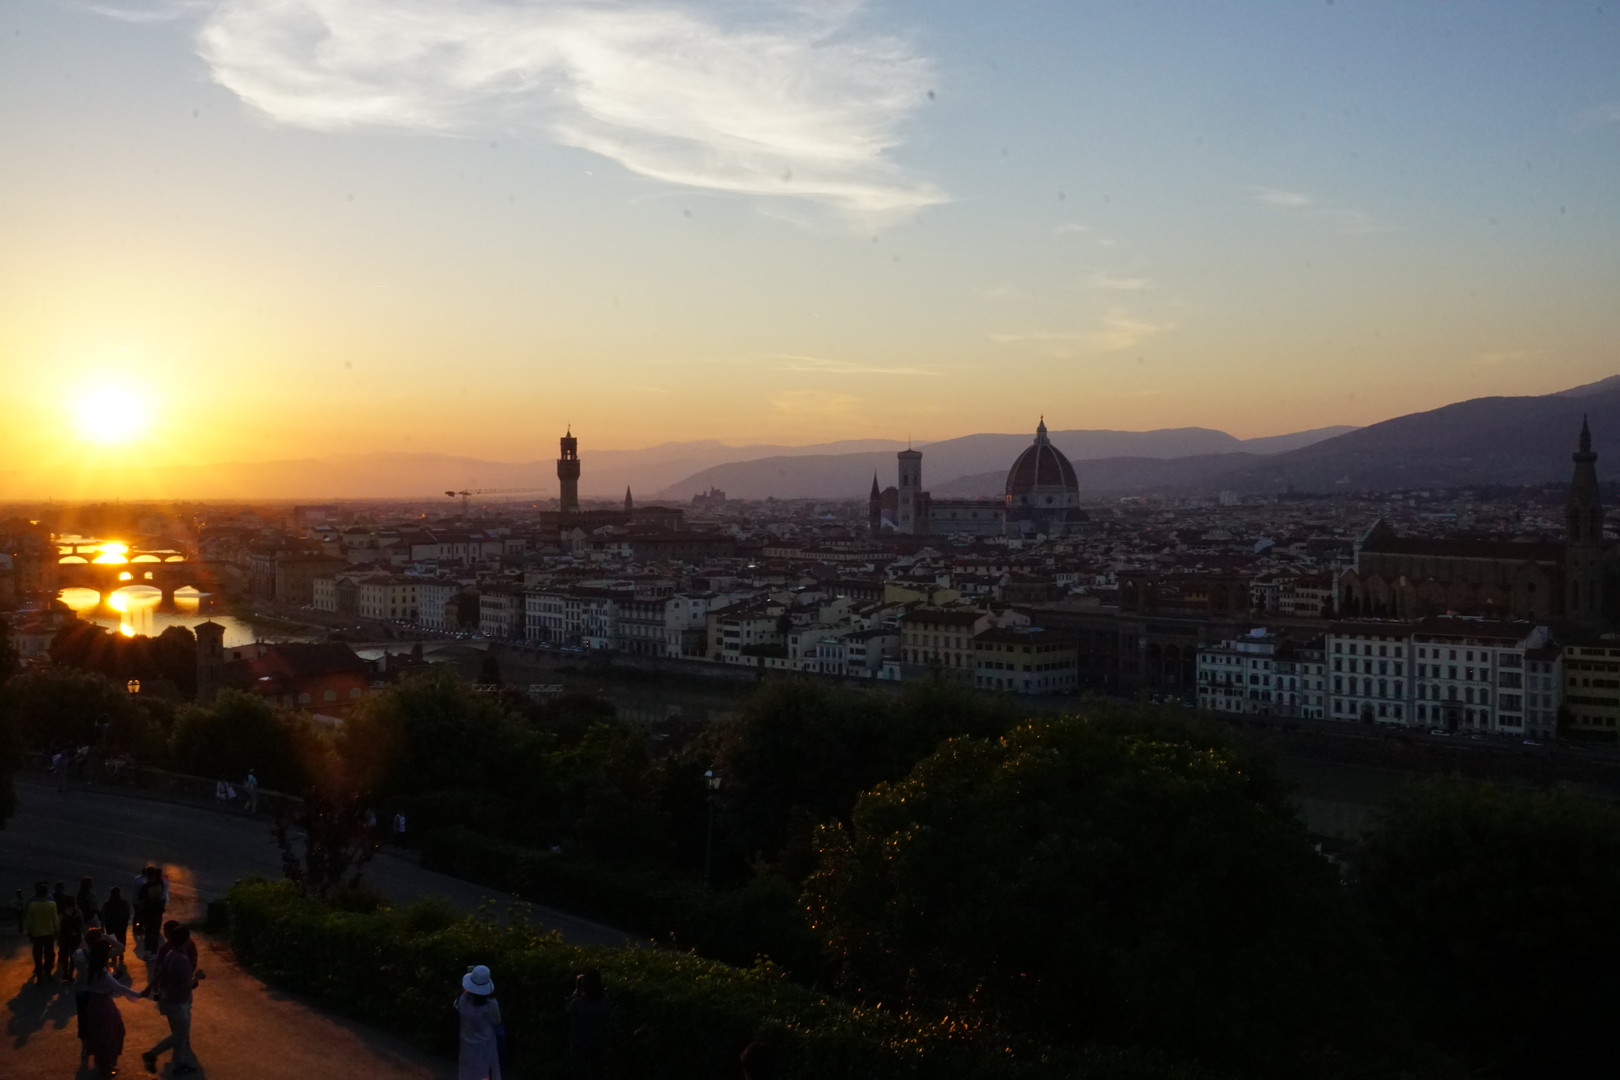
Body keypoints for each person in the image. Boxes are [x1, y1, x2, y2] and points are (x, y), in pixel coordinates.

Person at [142, 924, 202, 1076]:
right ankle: (152, 1054)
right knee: (180, 1035)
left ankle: (178, 1063)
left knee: (180, 1033)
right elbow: (187, 985)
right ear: (186, 940)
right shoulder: (181, 959)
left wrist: (150, 988)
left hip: (169, 998)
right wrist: (198, 977)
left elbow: (159, 973)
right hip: (178, 1001)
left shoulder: (170, 953)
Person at [83, 933, 145, 1077]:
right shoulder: (102, 973)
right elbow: (120, 988)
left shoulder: (92, 966)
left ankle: (105, 1063)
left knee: (105, 1034)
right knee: (110, 1034)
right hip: (103, 1004)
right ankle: (107, 1065)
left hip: (97, 1002)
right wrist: (140, 994)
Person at [456, 964, 503, 1080]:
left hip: (466, 1042)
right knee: (485, 1073)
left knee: (467, 1072)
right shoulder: (491, 1004)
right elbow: (497, 1021)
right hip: (485, 1044)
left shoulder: (463, 1000)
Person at [566, 969, 610, 1080]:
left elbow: (569, 1010)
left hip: (579, 1043)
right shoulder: (605, 1001)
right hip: (598, 1042)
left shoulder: (578, 1003)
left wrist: (577, 991)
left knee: (579, 1072)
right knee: (597, 1071)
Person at [24, 881, 61, 982]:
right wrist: (57, 930)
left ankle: (39, 975)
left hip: (36, 934)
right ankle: (48, 972)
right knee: (50, 955)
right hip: (49, 933)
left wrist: (29, 932)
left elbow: (29, 921)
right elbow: (55, 919)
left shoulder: (32, 905)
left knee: (37, 955)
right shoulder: (52, 904)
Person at [134, 865, 167, 958]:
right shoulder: (161, 884)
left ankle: (148, 950)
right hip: (157, 911)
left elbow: (140, 900)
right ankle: (154, 952)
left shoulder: (145, 887)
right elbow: (163, 898)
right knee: (156, 932)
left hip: (147, 912)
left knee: (148, 931)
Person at [58, 890, 86, 980]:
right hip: (75, 937)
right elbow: (82, 925)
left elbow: (58, 926)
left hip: (64, 937)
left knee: (64, 956)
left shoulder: (62, 914)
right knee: (73, 956)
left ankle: (64, 973)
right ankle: (70, 973)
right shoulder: (78, 913)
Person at [101, 886, 132, 951]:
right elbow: (127, 913)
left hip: (110, 924)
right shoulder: (123, 903)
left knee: (112, 939)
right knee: (122, 938)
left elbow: (103, 914)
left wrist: (103, 925)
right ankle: (121, 951)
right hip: (121, 923)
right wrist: (125, 920)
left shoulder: (107, 904)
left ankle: (113, 952)